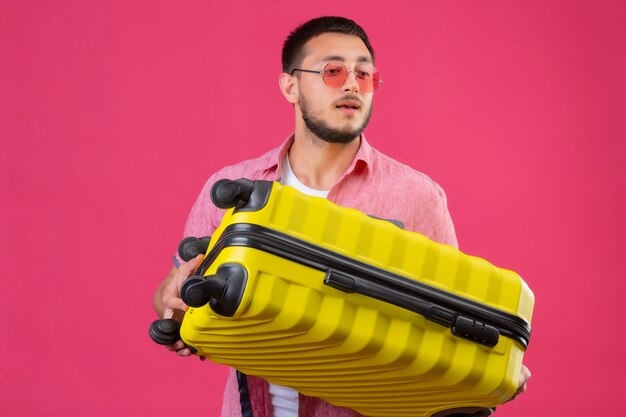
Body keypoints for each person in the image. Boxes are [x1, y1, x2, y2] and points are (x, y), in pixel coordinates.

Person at [153, 16, 531, 417]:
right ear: (290, 87)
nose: (352, 84)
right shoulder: (231, 185)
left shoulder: (417, 196)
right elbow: (172, 288)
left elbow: (449, 324)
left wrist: (492, 377)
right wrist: (172, 300)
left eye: (364, 74)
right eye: (332, 71)